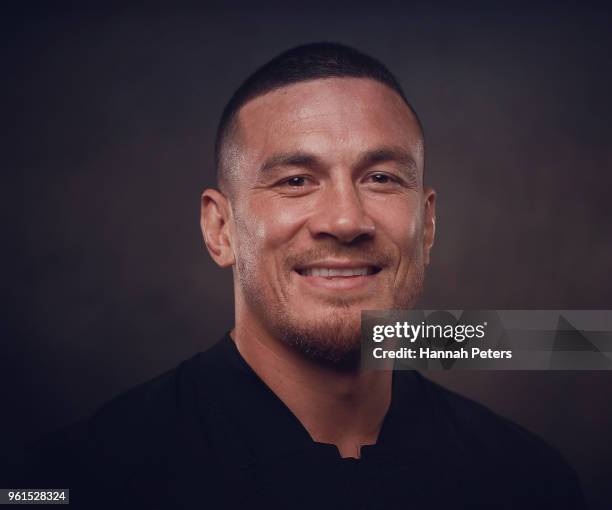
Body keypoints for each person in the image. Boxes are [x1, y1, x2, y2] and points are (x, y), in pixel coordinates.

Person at [10, 42, 585, 509]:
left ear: (427, 224)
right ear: (221, 229)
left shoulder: (530, 481)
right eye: (295, 180)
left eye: (382, 178)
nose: (346, 219)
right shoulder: (72, 481)